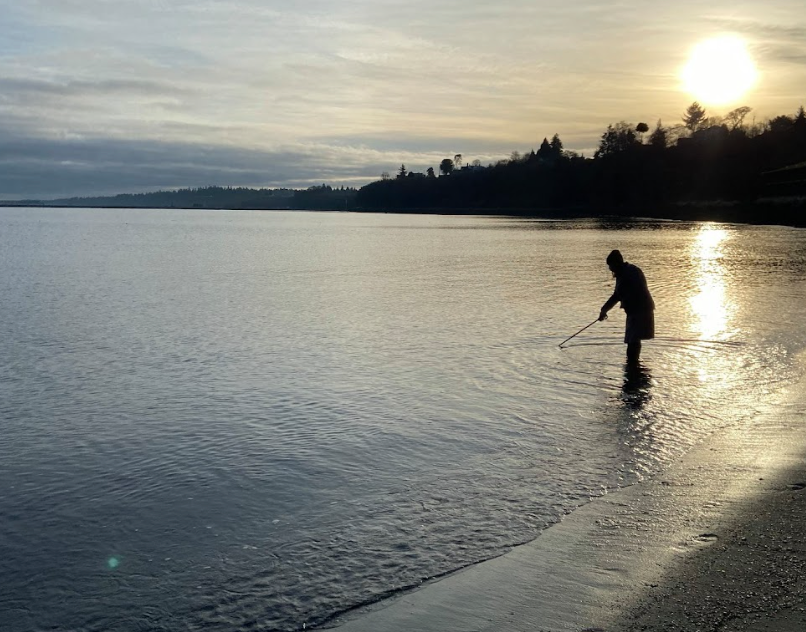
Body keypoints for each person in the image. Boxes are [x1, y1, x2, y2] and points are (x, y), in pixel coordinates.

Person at [598, 249, 655, 364]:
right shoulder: (630, 270)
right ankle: (634, 365)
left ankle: (632, 365)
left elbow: (617, 296)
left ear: (616, 263)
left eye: (610, 266)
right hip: (641, 309)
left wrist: (604, 310)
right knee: (634, 340)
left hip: (639, 311)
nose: (610, 269)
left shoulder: (626, 275)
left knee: (632, 340)